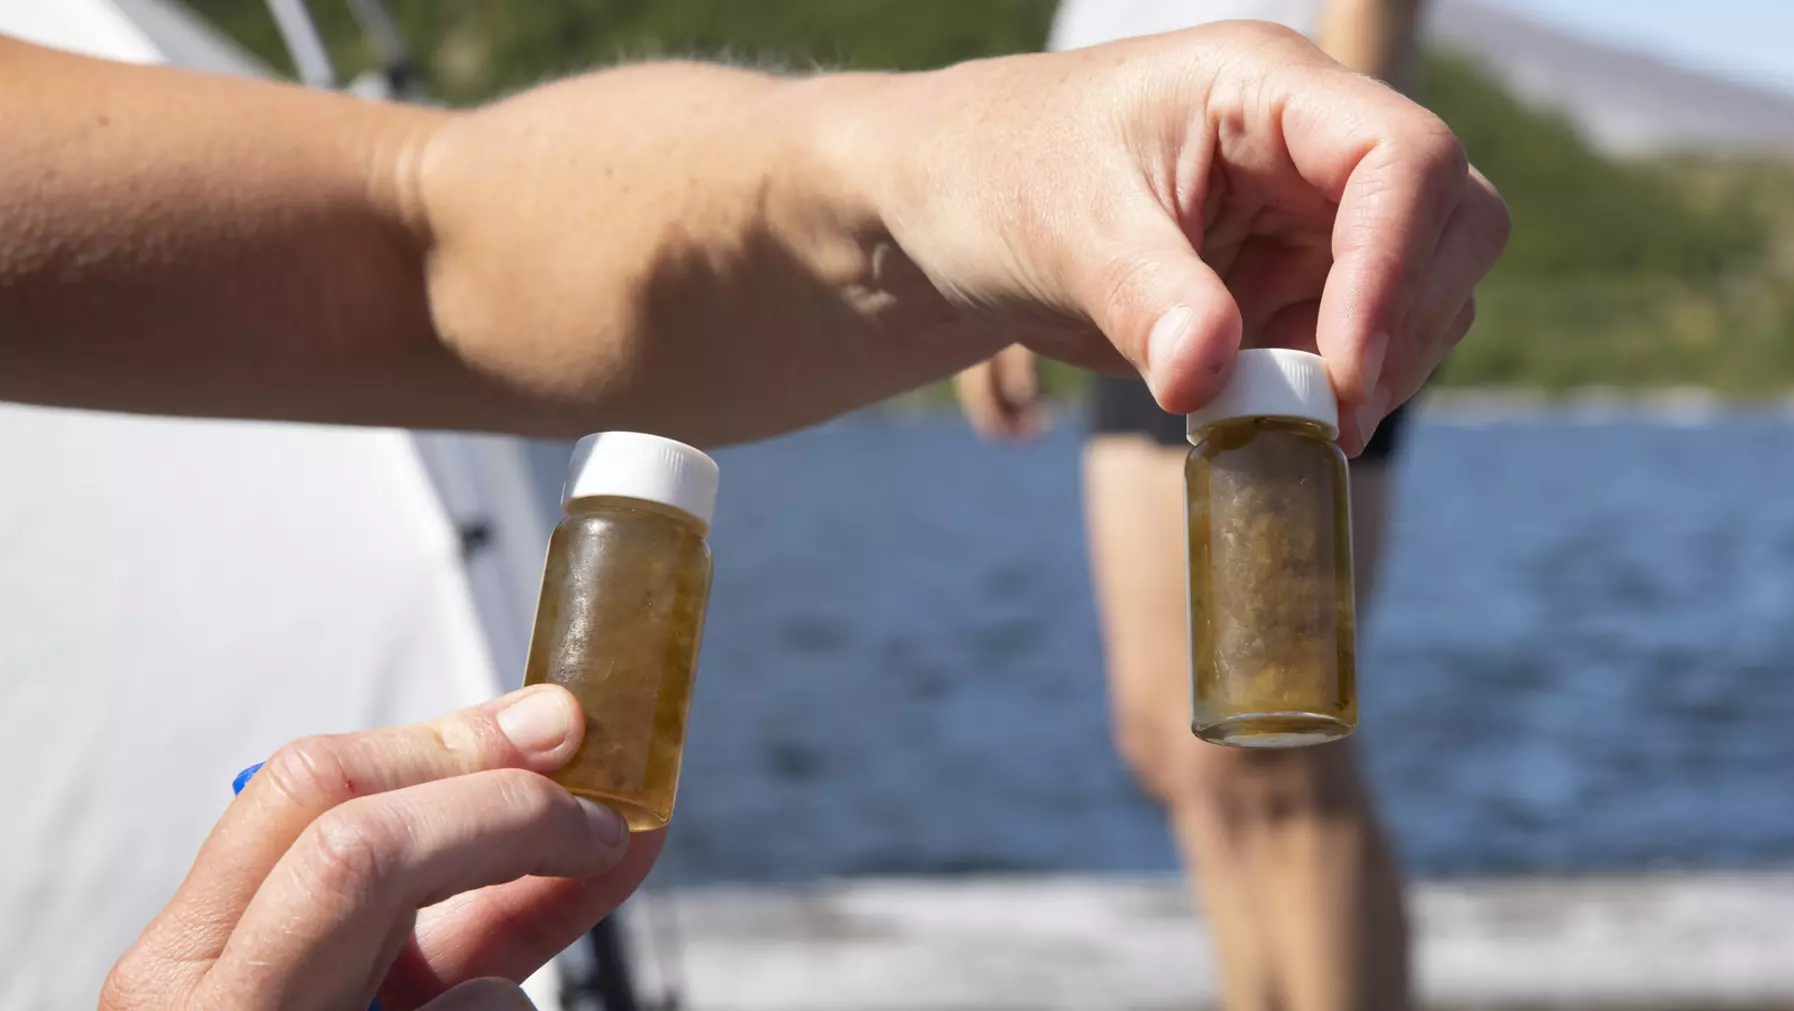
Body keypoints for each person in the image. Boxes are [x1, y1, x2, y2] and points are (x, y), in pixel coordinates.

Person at [0, 20, 1505, 1009]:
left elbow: (418, 226)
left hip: (1242, 266)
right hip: (1203, 279)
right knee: (1192, 744)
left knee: (1267, 768)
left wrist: (960, 188)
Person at [954, 3, 1428, 1009]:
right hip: (1131, 216)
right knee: (1174, 739)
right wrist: (1014, 238)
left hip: (1281, 215)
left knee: (1282, 746)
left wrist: (1328, 199)